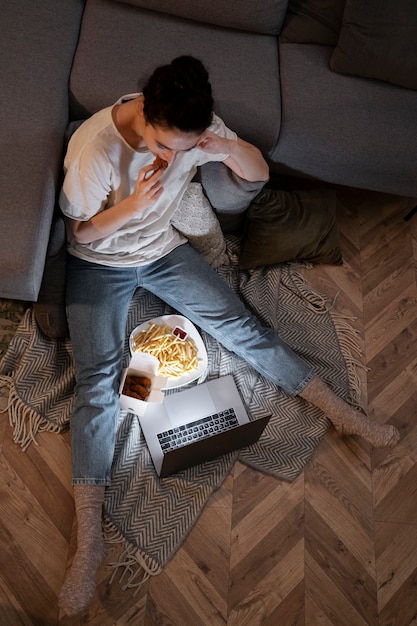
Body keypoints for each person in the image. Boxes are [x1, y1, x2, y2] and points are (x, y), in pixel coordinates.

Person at [58, 56, 399, 615]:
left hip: (163, 249)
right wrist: (132, 206)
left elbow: (258, 174)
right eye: (164, 146)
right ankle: (89, 536)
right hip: (100, 261)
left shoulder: (197, 128)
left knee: (241, 327)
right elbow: (81, 229)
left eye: (182, 149)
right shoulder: (96, 148)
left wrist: (223, 150)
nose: (171, 159)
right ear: (144, 111)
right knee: (99, 380)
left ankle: (339, 411)